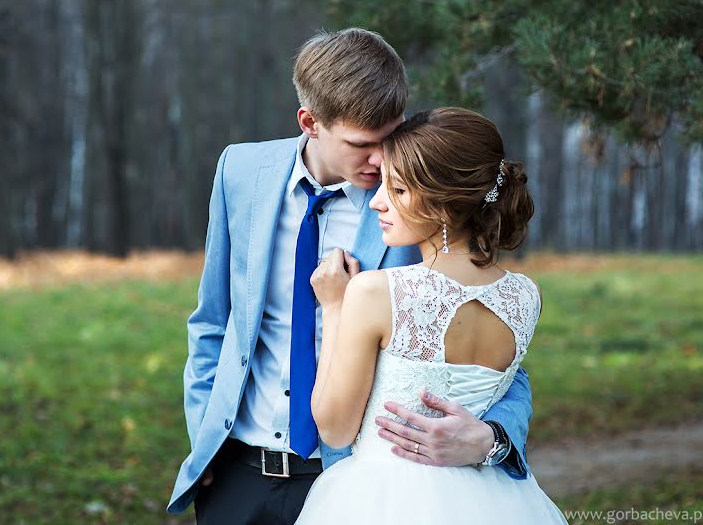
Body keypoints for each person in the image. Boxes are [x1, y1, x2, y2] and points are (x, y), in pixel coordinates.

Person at [167, 30, 535, 524]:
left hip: (352, 483)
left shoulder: (416, 211)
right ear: (310, 122)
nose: (381, 160)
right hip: (236, 473)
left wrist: (493, 438)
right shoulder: (241, 171)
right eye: (363, 145)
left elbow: (483, 354)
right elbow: (213, 321)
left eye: (391, 138)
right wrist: (204, 436)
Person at [295, 107, 567, 523]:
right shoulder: (526, 296)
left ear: (442, 205)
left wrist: (334, 307)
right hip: (494, 501)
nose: (378, 203)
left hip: (383, 500)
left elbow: (335, 430)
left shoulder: (376, 292)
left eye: (398, 191)